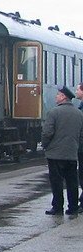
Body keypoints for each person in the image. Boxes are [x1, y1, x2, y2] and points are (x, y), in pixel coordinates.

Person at [41, 86, 83, 215]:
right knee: (72, 181)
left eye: (58, 95)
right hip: (71, 153)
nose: (56, 97)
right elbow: (81, 135)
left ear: (64, 97)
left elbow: (47, 132)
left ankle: (58, 207)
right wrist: (76, 145)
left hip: (55, 154)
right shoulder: (79, 113)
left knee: (57, 181)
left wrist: (45, 145)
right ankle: (73, 207)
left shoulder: (53, 112)